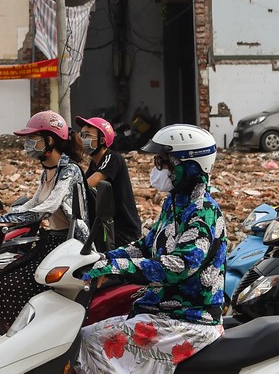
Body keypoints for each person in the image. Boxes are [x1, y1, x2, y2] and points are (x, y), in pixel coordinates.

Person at [76, 124, 227, 374]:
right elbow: (146, 246)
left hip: (189, 319)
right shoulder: (176, 203)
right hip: (163, 309)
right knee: (85, 333)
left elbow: (178, 267)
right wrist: (101, 258)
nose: (157, 168)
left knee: (92, 343)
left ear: (189, 166)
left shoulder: (202, 213)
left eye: (163, 162)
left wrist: (115, 267)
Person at [0, 111, 87, 332]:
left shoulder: (70, 171)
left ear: (50, 140)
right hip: (51, 243)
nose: (29, 144)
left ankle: (22, 336)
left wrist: (9, 220)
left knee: (10, 286)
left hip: (69, 247)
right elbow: (33, 203)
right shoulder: (48, 171)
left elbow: (47, 208)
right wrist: (0, 217)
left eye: (33, 138)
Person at [77, 116, 142, 249]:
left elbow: (87, 184)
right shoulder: (94, 164)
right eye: (81, 135)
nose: (83, 139)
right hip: (108, 227)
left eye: (87, 135)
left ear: (102, 139)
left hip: (123, 231)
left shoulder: (112, 158)